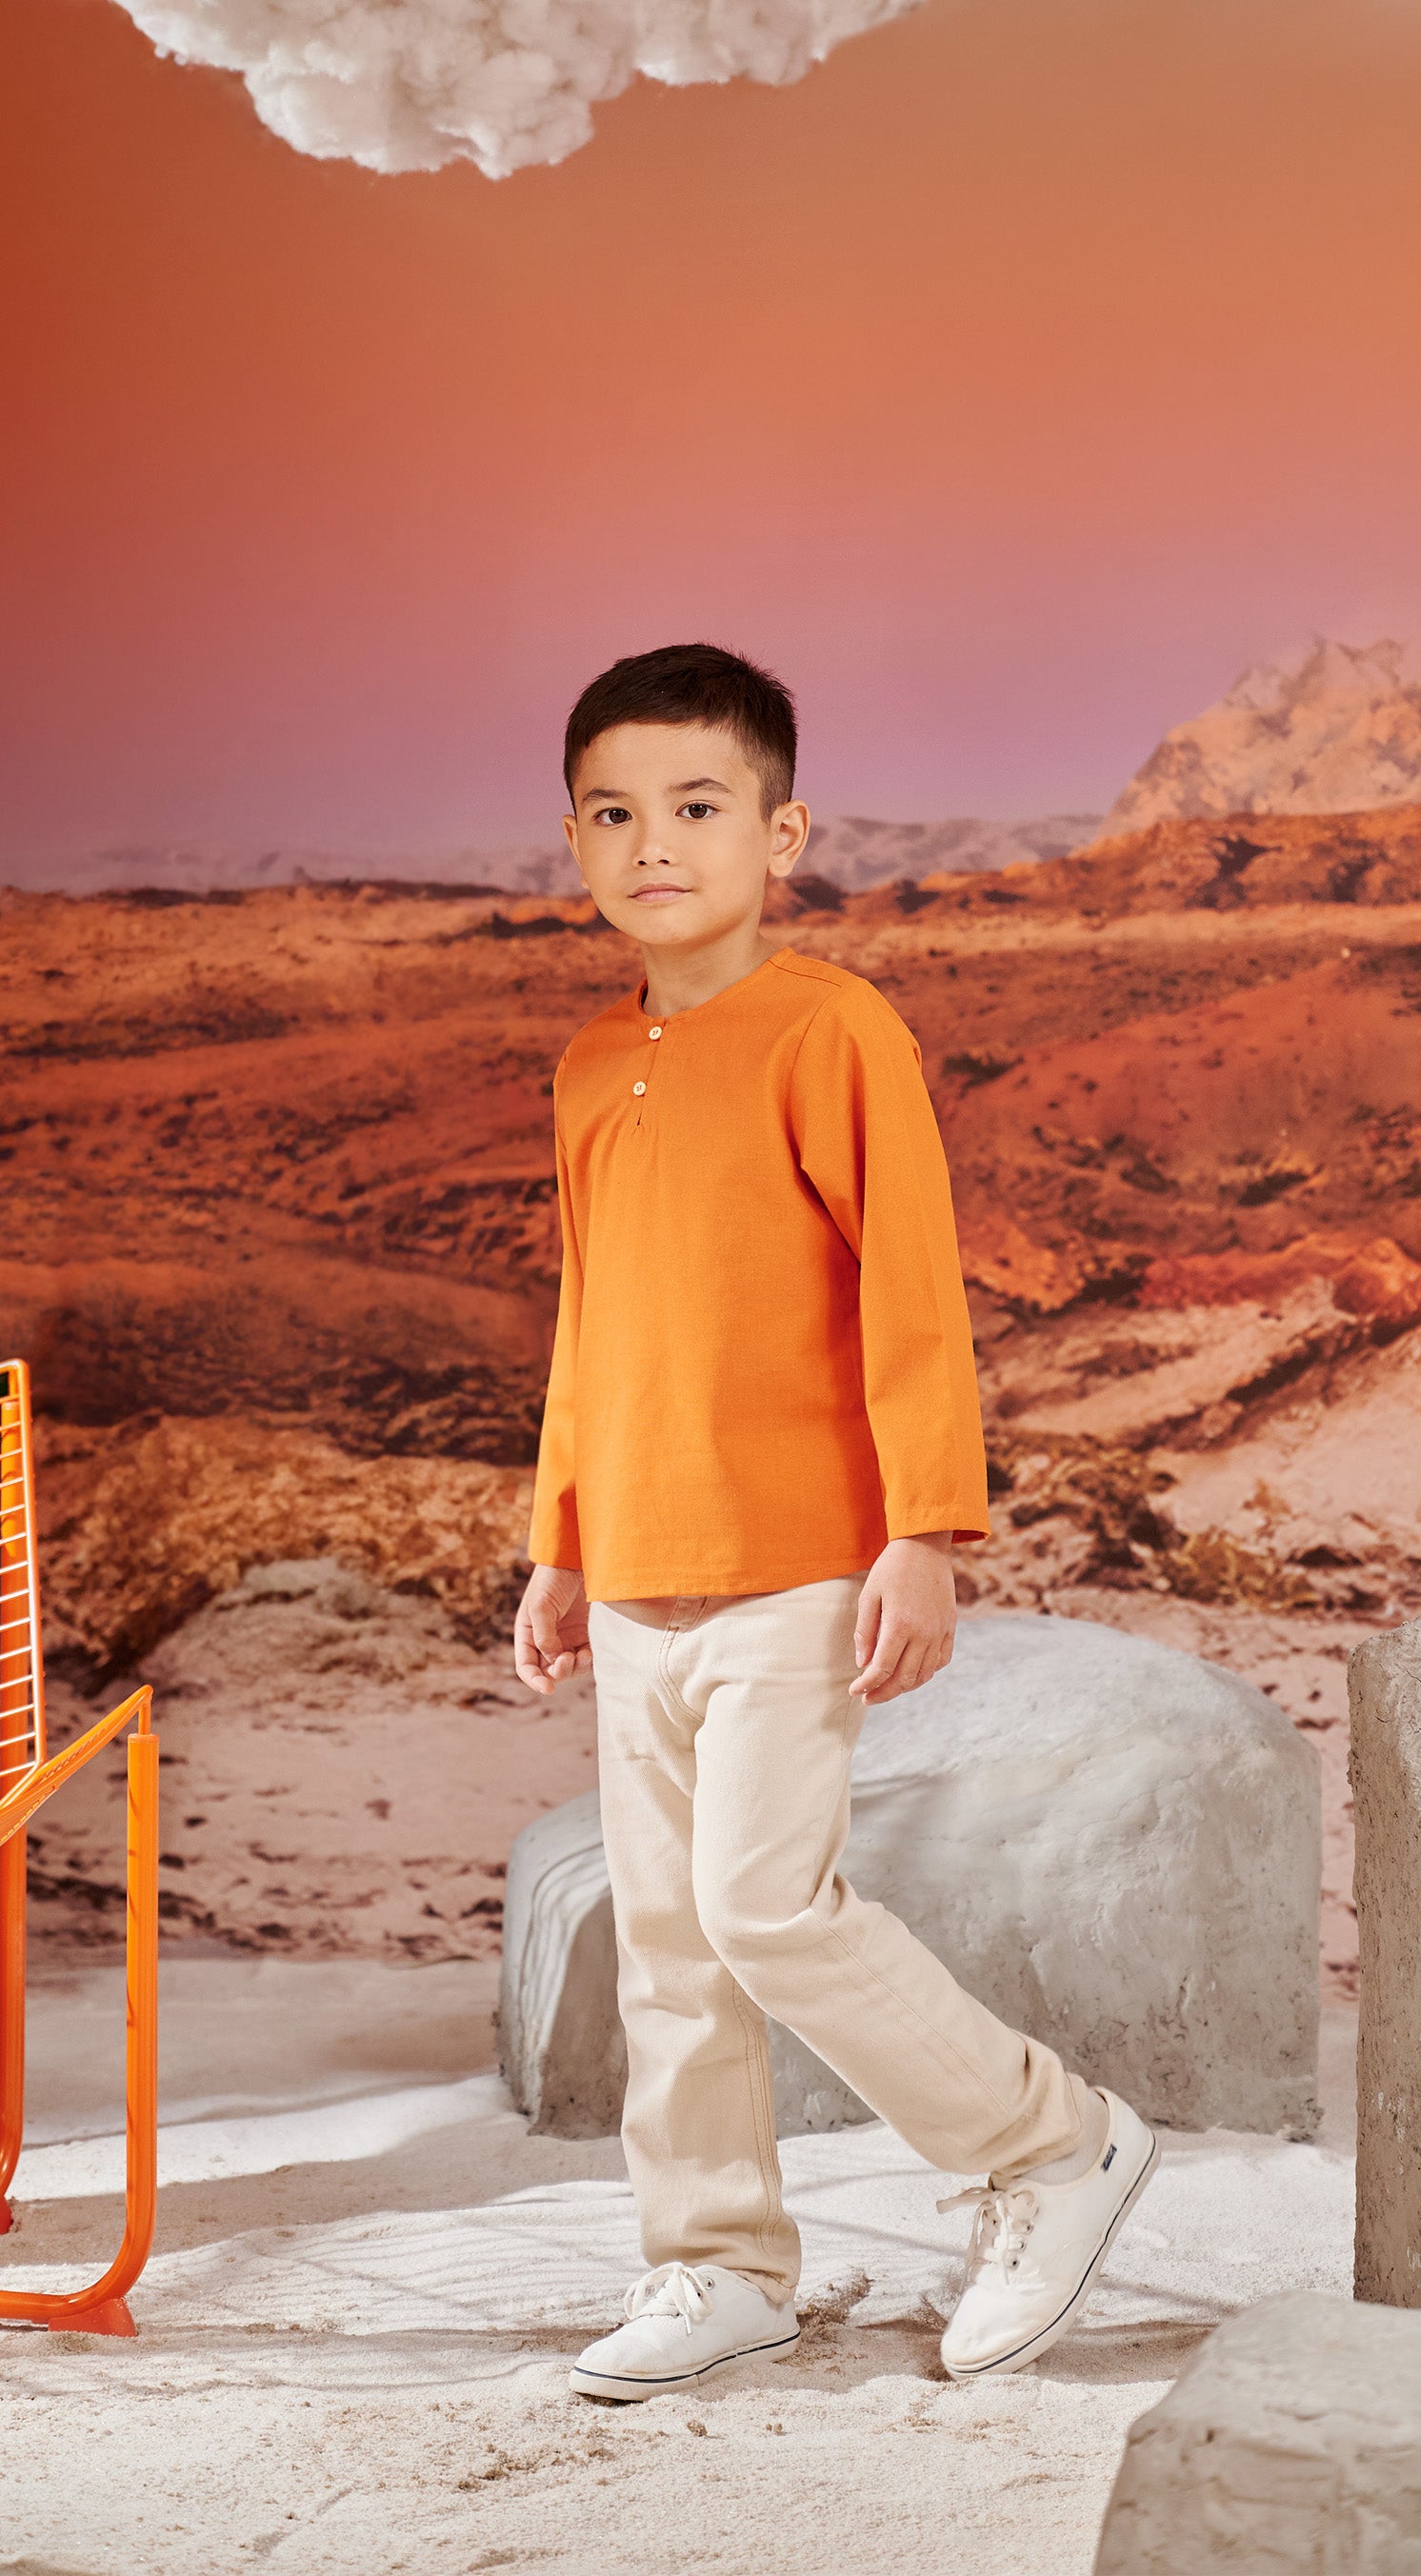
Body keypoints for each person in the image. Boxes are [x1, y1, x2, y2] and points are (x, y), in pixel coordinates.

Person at [513, 642, 1158, 2402]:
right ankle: (714, 2263)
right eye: (614, 813)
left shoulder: (834, 1027)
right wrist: (561, 1538)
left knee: (764, 1905)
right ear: (574, 842)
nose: (657, 842)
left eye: (699, 806)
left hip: (800, 1564)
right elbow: (590, 1319)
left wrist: (926, 1527)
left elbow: (912, 1295)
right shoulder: (585, 1068)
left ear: (782, 829)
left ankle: (1052, 2145)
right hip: (635, 1574)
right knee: (664, 1941)